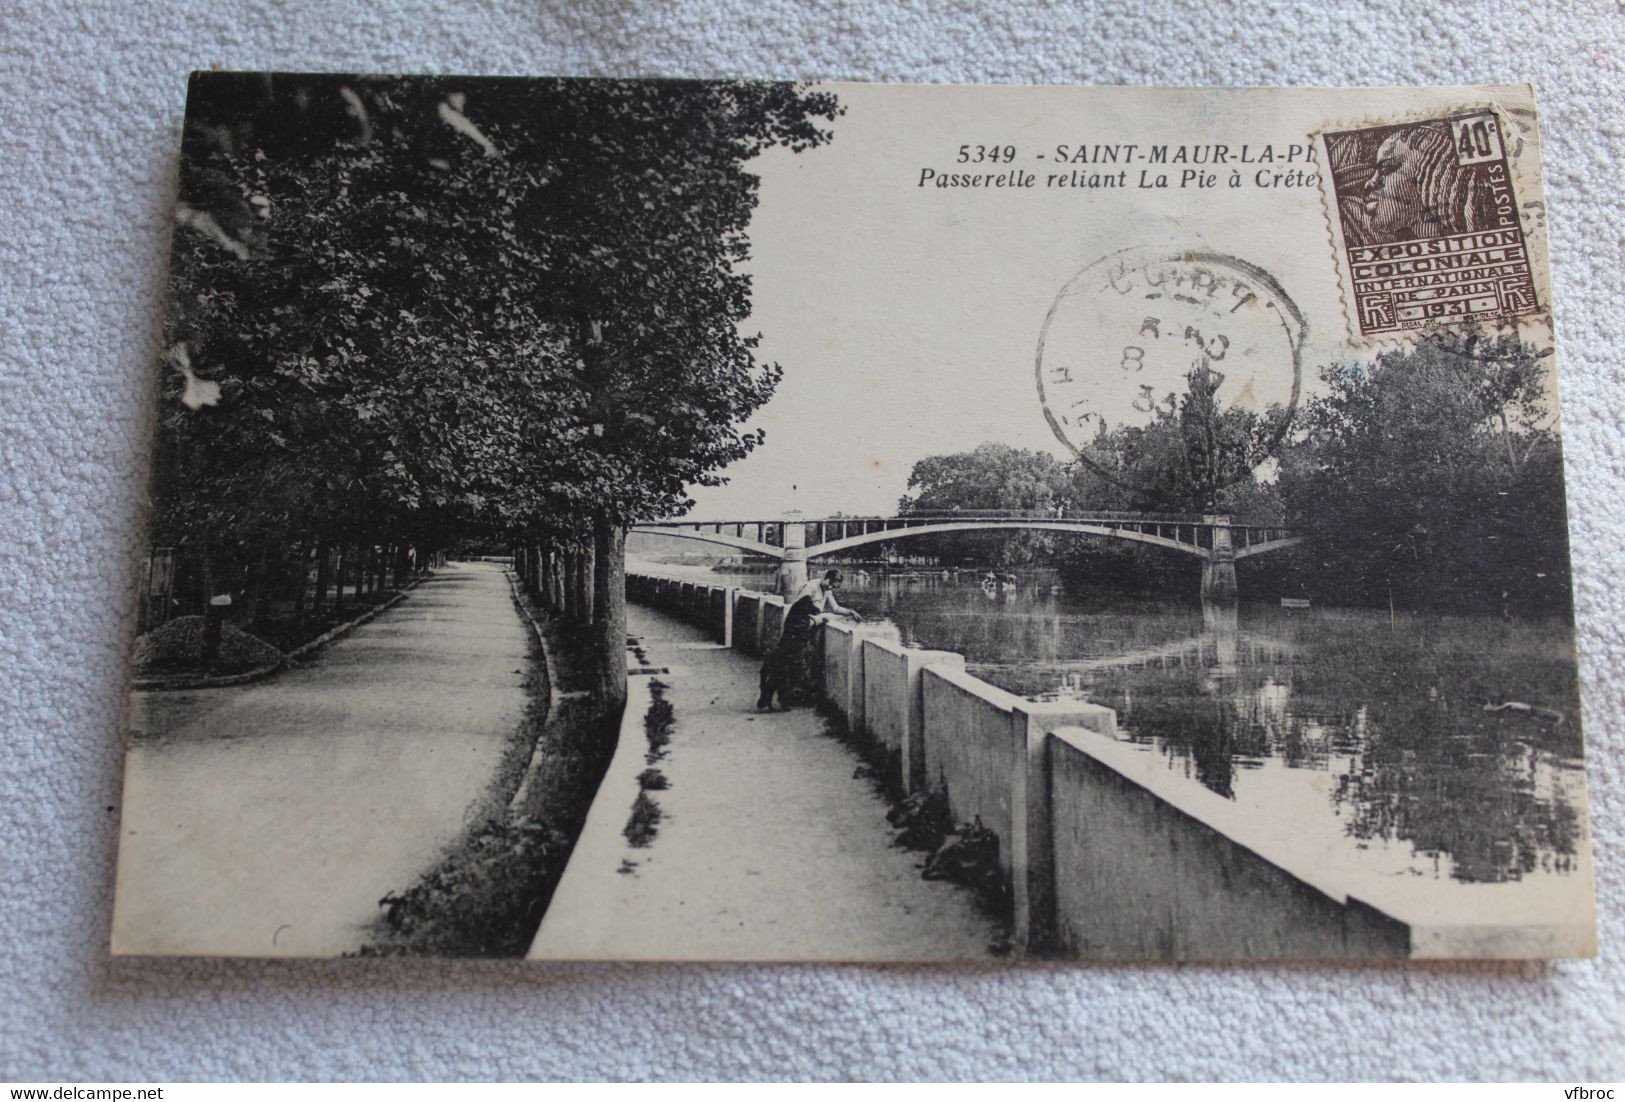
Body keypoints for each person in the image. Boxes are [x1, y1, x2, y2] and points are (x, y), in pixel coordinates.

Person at [757, 569, 862, 712]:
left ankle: (785, 697)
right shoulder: (811, 587)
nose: (831, 588)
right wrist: (817, 618)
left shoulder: (826, 589)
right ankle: (791, 697)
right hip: (797, 627)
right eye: (831, 584)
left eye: (835, 586)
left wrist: (851, 612)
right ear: (826, 578)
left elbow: (835, 608)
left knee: (794, 662)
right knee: (794, 662)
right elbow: (799, 608)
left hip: (807, 627)